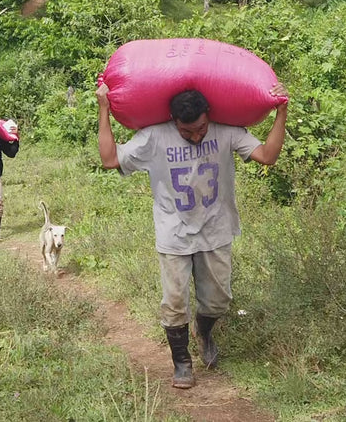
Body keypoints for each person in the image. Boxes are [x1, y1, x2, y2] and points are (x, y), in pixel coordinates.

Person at [96, 81, 288, 390]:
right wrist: (104, 110)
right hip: (174, 233)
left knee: (218, 301)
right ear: (174, 121)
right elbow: (109, 160)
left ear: (208, 115)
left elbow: (267, 155)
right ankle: (181, 363)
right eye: (187, 133)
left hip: (216, 229)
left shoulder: (227, 132)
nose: (196, 136)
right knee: (174, 302)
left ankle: (205, 330)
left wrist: (281, 113)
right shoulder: (154, 137)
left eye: (200, 129)